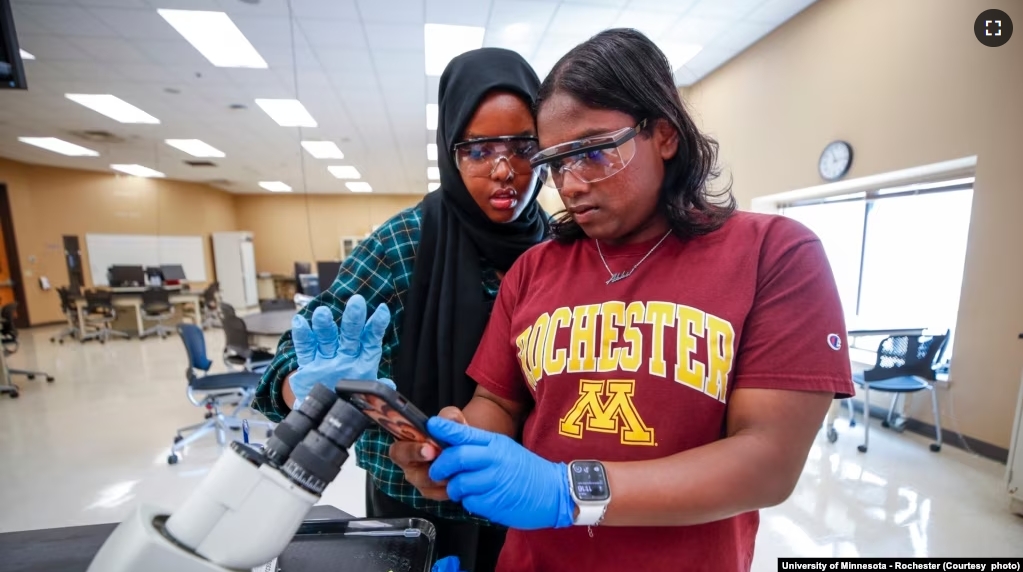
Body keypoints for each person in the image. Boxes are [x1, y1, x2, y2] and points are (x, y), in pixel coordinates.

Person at [385, 29, 856, 572]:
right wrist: (459, 446)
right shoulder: (534, 268)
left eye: (591, 152)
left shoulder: (774, 254)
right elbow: (501, 403)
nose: (571, 183)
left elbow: (768, 462)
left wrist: (570, 491)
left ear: (663, 134)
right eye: (556, 161)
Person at [252, 47, 550, 572]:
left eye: (523, 147)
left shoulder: (560, 247)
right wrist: (304, 385)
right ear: (450, 152)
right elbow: (281, 369)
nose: (504, 171)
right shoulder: (403, 243)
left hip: (527, 504)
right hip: (418, 509)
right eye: (478, 151)